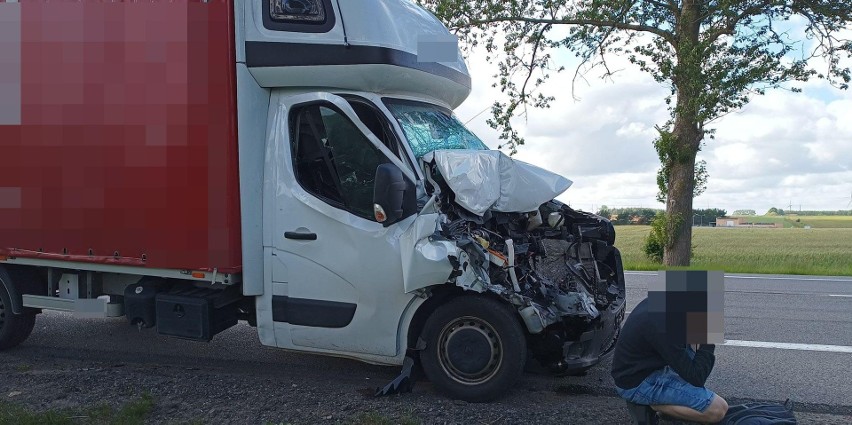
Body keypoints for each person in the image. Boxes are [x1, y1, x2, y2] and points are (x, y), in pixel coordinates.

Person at [611, 296, 729, 424]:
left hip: (641, 367)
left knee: (693, 341)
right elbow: (697, 377)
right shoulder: (664, 324)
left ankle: (671, 400)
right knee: (718, 409)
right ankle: (654, 405)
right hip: (636, 383)